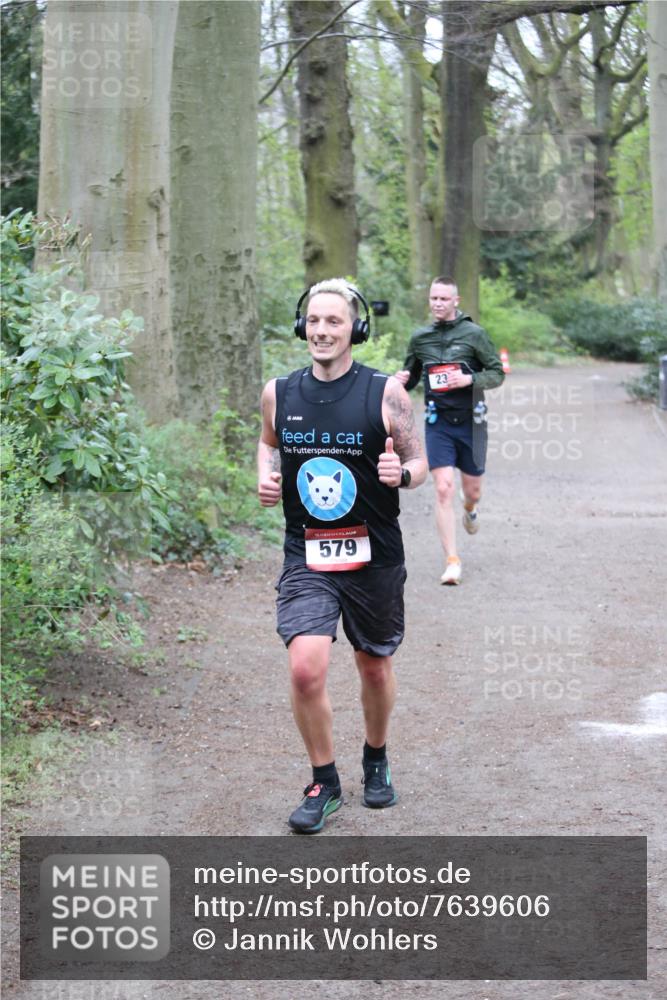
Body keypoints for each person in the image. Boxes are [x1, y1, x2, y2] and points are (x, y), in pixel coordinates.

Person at [257, 278, 427, 834]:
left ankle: (375, 757)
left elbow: (418, 463)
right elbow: (267, 441)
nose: (322, 330)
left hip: (373, 553)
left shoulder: (385, 394)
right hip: (306, 554)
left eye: (334, 321)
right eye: (313, 320)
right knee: (306, 667)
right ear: (300, 325)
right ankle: (323, 781)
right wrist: (265, 471)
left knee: (373, 665)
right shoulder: (279, 393)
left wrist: (399, 474)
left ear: (355, 329)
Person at [395, 276, 504, 585]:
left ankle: (470, 508)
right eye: (434, 299)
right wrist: (402, 380)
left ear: (456, 301)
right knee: (442, 488)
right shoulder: (420, 338)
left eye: (444, 299)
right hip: (438, 421)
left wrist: (469, 380)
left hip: (472, 421)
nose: (438, 304)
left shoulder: (474, 334)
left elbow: (497, 373)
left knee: (472, 491)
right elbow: (413, 378)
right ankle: (452, 561)